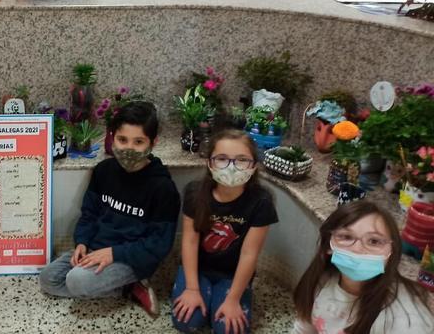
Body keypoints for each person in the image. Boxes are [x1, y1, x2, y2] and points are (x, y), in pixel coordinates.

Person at [38, 102, 180, 318]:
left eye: (138, 142)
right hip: (95, 247)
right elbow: (89, 214)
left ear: (153, 143)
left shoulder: (162, 188)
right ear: (112, 137)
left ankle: (133, 281)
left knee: (76, 281)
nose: (128, 149)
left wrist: (114, 253)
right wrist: (82, 242)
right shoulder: (103, 171)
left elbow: (158, 245)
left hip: (131, 258)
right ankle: (127, 289)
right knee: (48, 279)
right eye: (122, 140)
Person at [171, 130, 278, 334]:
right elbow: (190, 243)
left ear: (254, 166)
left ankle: (221, 298)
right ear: (209, 163)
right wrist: (192, 289)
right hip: (198, 269)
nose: (231, 167)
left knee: (229, 330)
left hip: (233, 275)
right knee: (187, 322)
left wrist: (233, 299)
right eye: (221, 159)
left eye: (242, 160)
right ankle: (199, 290)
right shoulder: (195, 193)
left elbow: (249, 254)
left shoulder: (261, 202)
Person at [292, 201, 434, 333]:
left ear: (392, 250)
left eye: (374, 241)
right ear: (328, 245)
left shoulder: (407, 321)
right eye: (346, 237)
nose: (358, 249)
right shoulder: (322, 278)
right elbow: (304, 328)